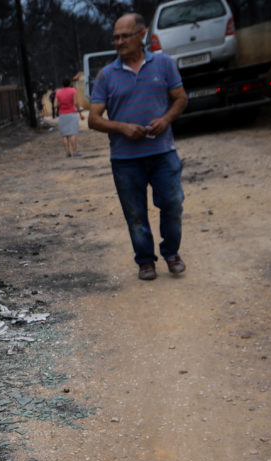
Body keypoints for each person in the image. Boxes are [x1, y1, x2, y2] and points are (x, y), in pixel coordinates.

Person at [88, 12, 189, 281]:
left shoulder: (164, 64)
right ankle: (145, 261)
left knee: (172, 203)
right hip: (125, 159)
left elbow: (180, 99)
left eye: (124, 36)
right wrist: (122, 127)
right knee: (135, 213)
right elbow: (93, 119)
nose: (119, 42)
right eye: (115, 37)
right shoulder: (106, 76)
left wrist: (166, 119)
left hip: (163, 152)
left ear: (141, 34)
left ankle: (171, 253)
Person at [55, 78, 84, 157]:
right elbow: (76, 103)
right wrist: (80, 113)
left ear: (62, 84)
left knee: (65, 135)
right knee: (73, 133)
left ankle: (67, 152)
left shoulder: (58, 92)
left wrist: (60, 103)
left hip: (62, 115)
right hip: (72, 114)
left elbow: (55, 105)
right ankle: (75, 152)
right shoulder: (73, 91)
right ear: (70, 83)